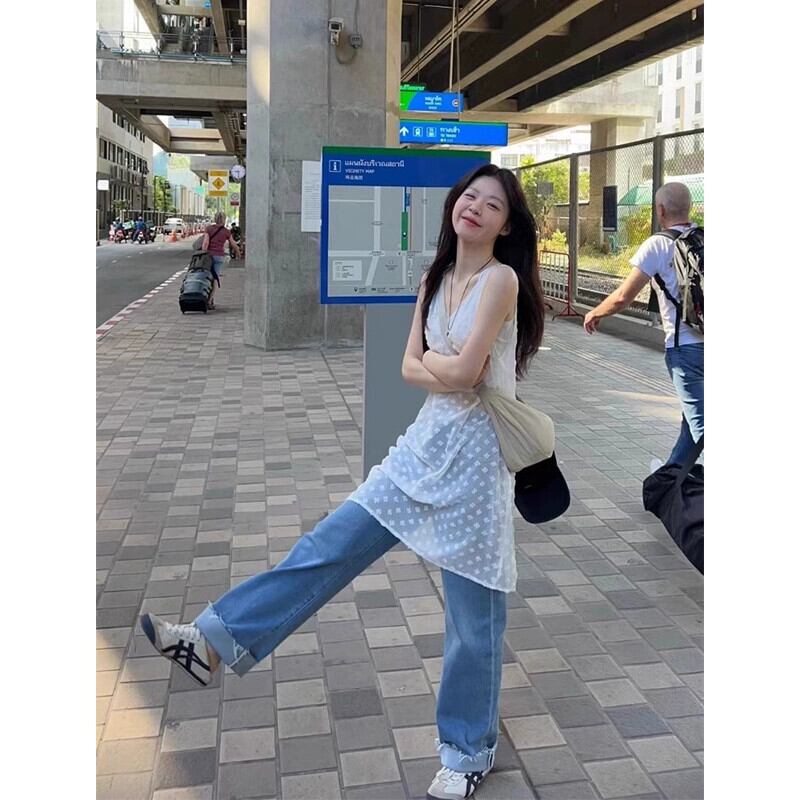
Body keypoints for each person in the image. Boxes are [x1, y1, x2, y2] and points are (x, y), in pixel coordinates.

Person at [140, 165, 545, 799]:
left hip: (475, 463)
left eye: (492, 205)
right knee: (328, 546)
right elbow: (410, 368)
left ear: (506, 225)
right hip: (422, 449)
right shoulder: (434, 278)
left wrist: (437, 367)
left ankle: (467, 752)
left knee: (473, 621)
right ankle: (211, 642)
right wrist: (442, 369)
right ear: (454, 205)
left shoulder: (501, 280)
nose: (475, 207)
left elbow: (461, 373)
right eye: (470, 196)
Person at [583, 182, 703, 470]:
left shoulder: (658, 244)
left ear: (660, 210)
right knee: (692, 426)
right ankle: (666, 484)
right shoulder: (706, 238)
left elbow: (623, 297)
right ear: (690, 208)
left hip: (684, 348)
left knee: (701, 425)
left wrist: (595, 313)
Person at [200, 211, 241, 309]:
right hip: (219, 257)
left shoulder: (209, 229)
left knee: (206, 276)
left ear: (215, 218)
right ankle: (210, 301)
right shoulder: (226, 231)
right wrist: (238, 253)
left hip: (208, 256)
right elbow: (233, 244)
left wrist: (203, 254)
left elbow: (205, 243)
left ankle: (203, 294)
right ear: (224, 219)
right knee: (215, 278)